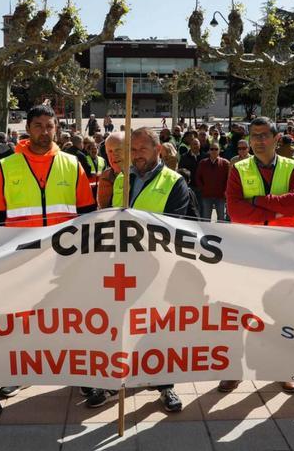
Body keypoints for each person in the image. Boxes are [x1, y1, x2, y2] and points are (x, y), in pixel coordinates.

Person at [0, 104, 97, 408]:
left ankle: (79, 370)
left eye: (49, 126)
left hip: (65, 259)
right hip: (23, 260)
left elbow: (87, 214)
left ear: (56, 128)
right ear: (27, 128)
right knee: (25, 319)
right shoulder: (7, 166)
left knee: (71, 318)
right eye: (38, 126)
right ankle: (22, 371)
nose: (44, 132)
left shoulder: (72, 164)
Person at [87, 127, 189, 412]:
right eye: (132, 149)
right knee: (119, 326)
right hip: (120, 267)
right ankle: (112, 383)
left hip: (157, 269)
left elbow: (173, 226)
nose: (136, 155)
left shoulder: (175, 182)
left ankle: (165, 385)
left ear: (158, 150)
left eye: (143, 149)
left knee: (159, 329)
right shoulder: (122, 178)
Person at [221, 116, 294, 394]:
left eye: (263, 135)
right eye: (254, 135)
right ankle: (235, 369)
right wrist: (276, 209)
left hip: (283, 250)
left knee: (283, 313)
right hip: (249, 250)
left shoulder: (293, 166)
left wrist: (255, 201)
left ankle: (286, 369)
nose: (258, 141)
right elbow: (235, 210)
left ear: (276, 138)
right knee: (242, 310)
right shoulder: (239, 168)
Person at [195, 141, 230, 221]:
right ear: (209, 151)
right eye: (212, 149)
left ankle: (219, 233)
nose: (214, 151)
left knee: (221, 219)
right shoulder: (203, 163)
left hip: (220, 196)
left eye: (216, 149)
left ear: (219, 150)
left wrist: (225, 190)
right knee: (206, 218)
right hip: (206, 195)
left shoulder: (225, 163)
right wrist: (203, 188)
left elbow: (229, 179)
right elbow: (198, 177)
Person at [96, 132, 124, 209]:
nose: (114, 155)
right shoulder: (105, 176)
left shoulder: (138, 175)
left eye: (118, 150)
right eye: (110, 151)